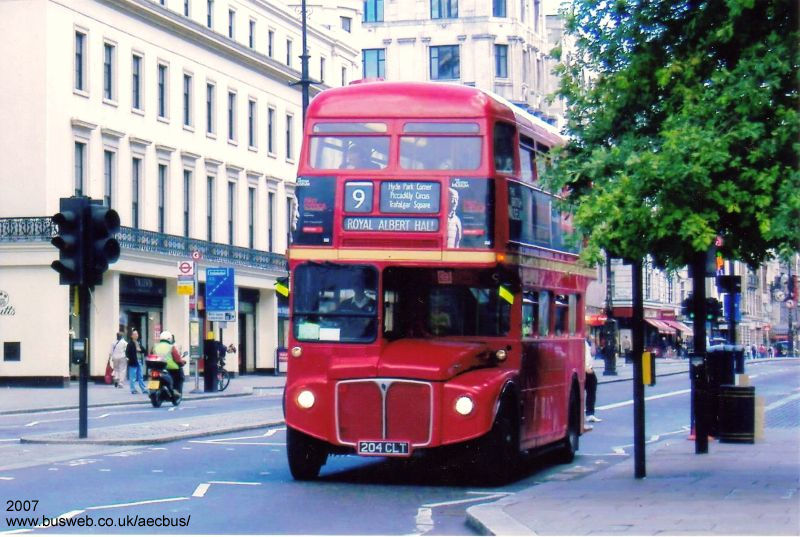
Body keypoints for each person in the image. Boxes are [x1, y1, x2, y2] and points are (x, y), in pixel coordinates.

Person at [154, 331, 186, 396]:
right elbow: (177, 359)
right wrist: (182, 363)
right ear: (169, 338)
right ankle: (177, 392)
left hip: (157, 367)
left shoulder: (155, 346)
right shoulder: (171, 347)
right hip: (170, 367)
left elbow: (151, 355)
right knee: (180, 377)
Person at [585, 336, 601, 423]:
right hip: (583, 369)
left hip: (589, 369)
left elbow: (593, 353)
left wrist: (593, 342)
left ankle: (590, 414)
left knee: (591, 391)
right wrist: (584, 368)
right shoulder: (579, 341)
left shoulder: (586, 343)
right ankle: (588, 414)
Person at [126, 329, 147, 394]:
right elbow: (127, 353)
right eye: (134, 334)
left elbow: (144, 350)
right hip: (133, 362)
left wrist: (140, 349)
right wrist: (131, 359)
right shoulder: (130, 344)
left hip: (139, 361)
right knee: (133, 377)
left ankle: (143, 389)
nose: (136, 335)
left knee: (140, 376)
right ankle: (133, 389)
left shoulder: (138, 343)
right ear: (131, 336)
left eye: (137, 334)